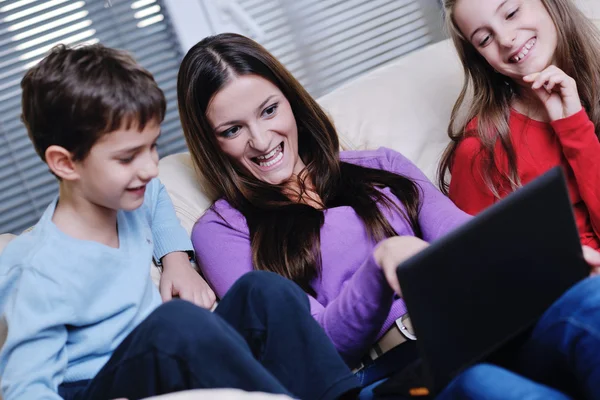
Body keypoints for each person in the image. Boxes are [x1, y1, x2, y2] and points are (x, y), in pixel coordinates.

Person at [0, 44, 361, 400]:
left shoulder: (131, 200)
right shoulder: (35, 270)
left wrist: (176, 258)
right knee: (175, 322)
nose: (150, 168)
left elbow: (156, 197)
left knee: (264, 290)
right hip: (101, 386)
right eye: (128, 157)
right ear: (65, 163)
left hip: (164, 359)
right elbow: (23, 389)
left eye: (151, 147)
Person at [177, 32, 473, 390]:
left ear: (292, 103)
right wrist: (379, 266)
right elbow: (319, 347)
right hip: (392, 374)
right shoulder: (223, 230)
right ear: (211, 144)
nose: (261, 140)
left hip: (469, 325)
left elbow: (470, 243)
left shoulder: (381, 164)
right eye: (233, 130)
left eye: (269, 110)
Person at [437, 0, 600, 250]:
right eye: (484, 39)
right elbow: (468, 264)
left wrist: (575, 128)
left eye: (511, 13)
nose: (505, 39)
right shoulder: (482, 149)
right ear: (480, 58)